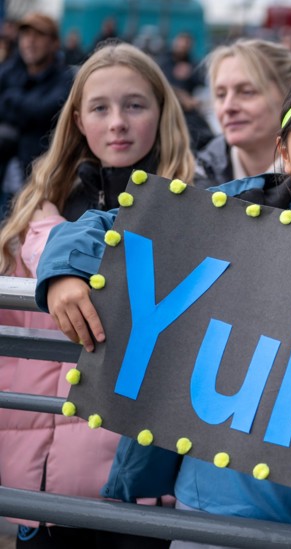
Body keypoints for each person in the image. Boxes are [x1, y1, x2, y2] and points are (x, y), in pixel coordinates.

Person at [33, 61, 291, 548]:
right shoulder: (231, 211)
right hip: (212, 507)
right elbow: (102, 224)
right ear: (284, 151)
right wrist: (66, 271)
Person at [0, 41, 195, 548]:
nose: (118, 123)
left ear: (161, 113)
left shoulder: (200, 212)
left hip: (139, 491)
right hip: (39, 483)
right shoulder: (34, 210)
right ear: (78, 120)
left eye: (134, 105)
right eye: (100, 108)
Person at [194, 39, 291, 187]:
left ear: (290, 95)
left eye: (247, 92)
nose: (228, 107)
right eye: (221, 95)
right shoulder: (193, 179)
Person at [0, 12, 74, 197]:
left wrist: (11, 99)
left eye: (38, 35)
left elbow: (44, 110)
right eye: (25, 35)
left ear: (54, 42)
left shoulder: (65, 79)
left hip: (42, 179)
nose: (30, 42)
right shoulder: (10, 71)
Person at [160, 31, 213, 152]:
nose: (183, 46)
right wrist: (181, 96)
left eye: (186, 44)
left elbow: (203, 84)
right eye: (181, 43)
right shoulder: (164, 61)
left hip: (189, 112)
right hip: (169, 109)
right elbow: (160, 84)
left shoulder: (192, 64)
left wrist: (190, 73)